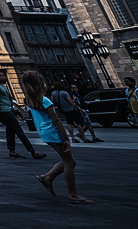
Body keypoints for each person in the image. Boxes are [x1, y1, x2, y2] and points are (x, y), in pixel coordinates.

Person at [23, 71, 93, 204]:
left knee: (70, 161)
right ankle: (72, 194)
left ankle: (48, 177)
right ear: (39, 84)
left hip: (45, 132)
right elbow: (56, 121)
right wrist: (66, 138)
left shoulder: (31, 100)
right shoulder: (44, 100)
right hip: (54, 132)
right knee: (69, 162)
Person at [0, 69, 46, 160]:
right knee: (19, 131)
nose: (2, 77)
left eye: (3, 75)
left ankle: (11, 151)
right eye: (0, 75)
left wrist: (15, 107)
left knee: (10, 131)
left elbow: (7, 98)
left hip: (8, 109)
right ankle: (33, 152)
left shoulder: (3, 86)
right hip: (5, 111)